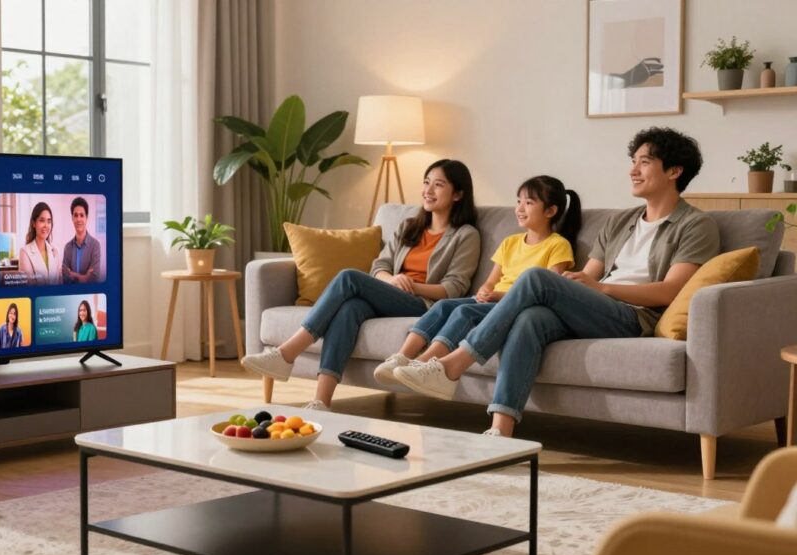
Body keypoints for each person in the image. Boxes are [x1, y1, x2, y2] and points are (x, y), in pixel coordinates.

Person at [391, 127, 720, 438]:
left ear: (675, 171)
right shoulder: (621, 221)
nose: (633, 170)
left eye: (644, 162)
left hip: (635, 316)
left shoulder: (694, 225)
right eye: (632, 162)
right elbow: (588, 275)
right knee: (530, 317)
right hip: (595, 308)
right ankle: (501, 431)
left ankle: (453, 364)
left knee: (536, 277)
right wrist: (580, 286)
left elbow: (671, 290)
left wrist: (601, 288)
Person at [241, 159, 482, 411]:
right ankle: (321, 401)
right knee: (350, 308)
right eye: (426, 182)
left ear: (458, 194)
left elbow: (454, 288)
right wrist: (392, 281)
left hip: (424, 305)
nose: (428, 190)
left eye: (438, 185)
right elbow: (380, 267)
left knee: (348, 277)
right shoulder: (409, 226)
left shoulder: (466, 235)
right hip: (393, 294)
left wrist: (409, 285)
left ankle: (288, 352)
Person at [374, 175, 581, 389]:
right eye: (518, 201)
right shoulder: (510, 242)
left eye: (529, 203)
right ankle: (402, 358)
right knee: (444, 305)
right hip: (491, 300)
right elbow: (491, 281)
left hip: (513, 306)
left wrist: (496, 296)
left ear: (550, 211)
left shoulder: (558, 245)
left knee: (464, 312)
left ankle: (424, 363)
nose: (520, 208)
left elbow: (547, 291)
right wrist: (485, 290)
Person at [19, 201, 61, 285]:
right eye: (42, 220)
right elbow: (29, 285)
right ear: (34, 223)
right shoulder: (25, 252)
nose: (46, 225)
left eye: (49, 221)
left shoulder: (55, 251)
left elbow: (60, 282)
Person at [62, 197, 103, 283]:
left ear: (86, 217)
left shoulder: (95, 245)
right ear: (72, 218)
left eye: (82, 215)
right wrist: (84, 277)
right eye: (75, 215)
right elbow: (65, 277)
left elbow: (94, 278)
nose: (78, 219)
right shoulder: (67, 247)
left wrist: (73, 274)